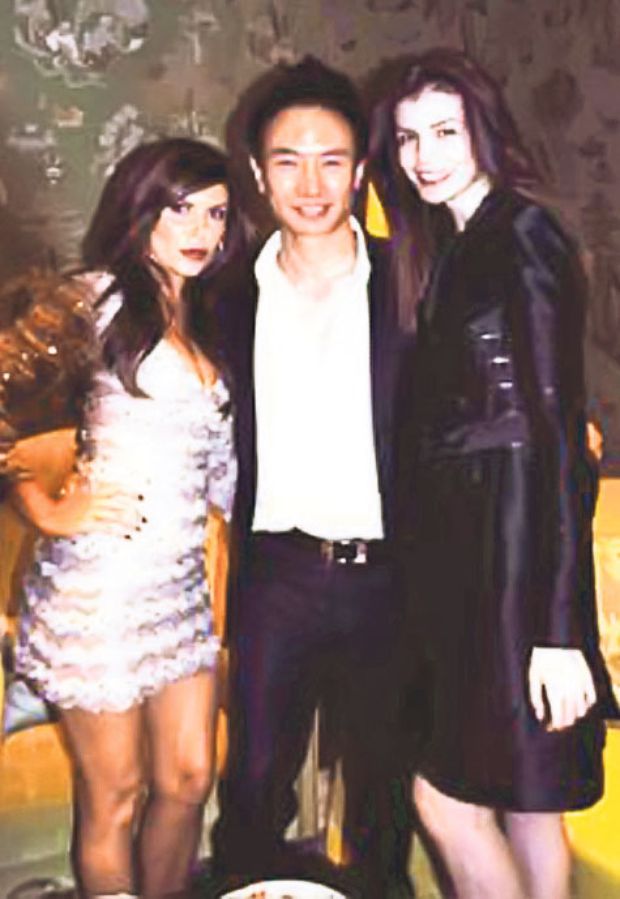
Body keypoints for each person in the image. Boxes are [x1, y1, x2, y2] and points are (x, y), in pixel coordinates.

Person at [369, 47, 619, 899]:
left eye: (446, 131)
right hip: (474, 566)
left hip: (511, 574)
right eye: (408, 138)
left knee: (443, 801)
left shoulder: (521, 233)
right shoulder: (457, 242)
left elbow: (555, 436)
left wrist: (559, 630)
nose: (424, 156)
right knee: (527, 801)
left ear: (485, 130)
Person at [0, 137, 240, 899]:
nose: (201, 230)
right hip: (97, 597)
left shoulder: (212, 313)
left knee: (190, 778)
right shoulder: (92, 298)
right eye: (181, 208)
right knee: (118, 794)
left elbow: (224, 469)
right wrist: (45, 507)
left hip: (179, 595)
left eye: (217, 214)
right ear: (141, 210)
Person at [211, 57, 415, 898]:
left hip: (391, 576)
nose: (311, 183)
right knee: (254, 783)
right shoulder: (224, 295)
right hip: (278, 576)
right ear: (259, 174)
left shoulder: (413, 278)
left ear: (360, 170)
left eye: (331, 160)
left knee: (383, 794)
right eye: (288, 161)